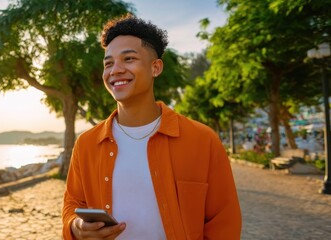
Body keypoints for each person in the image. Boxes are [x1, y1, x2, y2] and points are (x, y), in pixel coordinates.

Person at [62, 15, 242, 240]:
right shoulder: (86, 144)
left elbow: (224, 223)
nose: (115, 70)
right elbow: (72, 204)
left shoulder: (203, 140)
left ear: (155, 67)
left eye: (128, 59)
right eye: (108, 63)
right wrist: (76, 227)